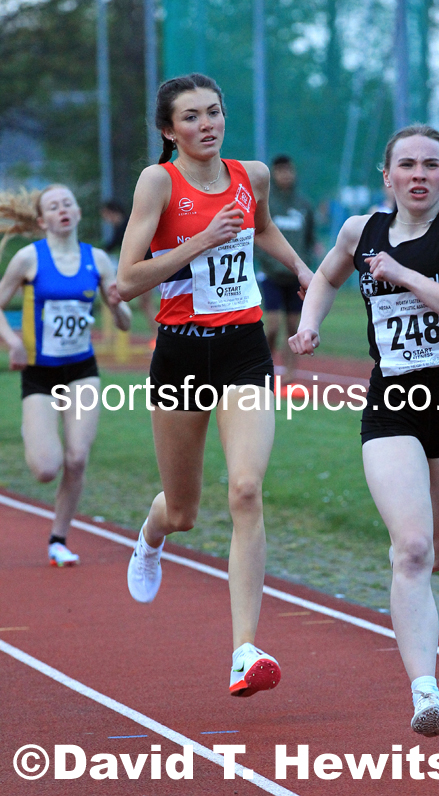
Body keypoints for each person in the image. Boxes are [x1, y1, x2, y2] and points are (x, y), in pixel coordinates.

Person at [289, 124, 439, 735]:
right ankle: (425, 691)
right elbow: (326, 277)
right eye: (406, 165)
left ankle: (423, 614)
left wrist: (405, 276)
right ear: (387, 176)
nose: (418, 175)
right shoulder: (360, 231)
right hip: (392, 402)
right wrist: (309, 325)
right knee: (411, 548)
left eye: (430, 165)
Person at [116, 74, 313, 697]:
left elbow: (260, 230)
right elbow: (127, 279)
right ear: (168, 130)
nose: (208, 124)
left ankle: (243, 650)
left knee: (247, 490)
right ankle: (151, 537)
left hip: (243, 350)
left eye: (215, 113)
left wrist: (304, 271)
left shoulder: (250, 174)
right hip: (179, 354)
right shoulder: (159, 182)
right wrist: (201, 240)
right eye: (193, 117)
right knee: (184, 511)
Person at [0, 185, 131, 566]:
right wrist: (13, 344)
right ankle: (35, 428)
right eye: (53, 206)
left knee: (77, 459)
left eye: (68, 203)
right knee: (45, 468)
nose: (62, 210)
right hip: (40, 373)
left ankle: (59, 538)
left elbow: (123, 323)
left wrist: (119, 307)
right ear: (42, 221)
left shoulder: (99, 260)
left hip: (82, 371)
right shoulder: (28, 258)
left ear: (77, 212)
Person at [255, 155, 315, 394]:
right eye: (280, 172)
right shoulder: (267, 204)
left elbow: (310, 240)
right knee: (271, 326)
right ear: (273, 174)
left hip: (294, 278)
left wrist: (305, 264)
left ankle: (291, 373)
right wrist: (268, 262)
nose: (285, 176)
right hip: (271, 275)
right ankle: (265, 366)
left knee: (293, 326)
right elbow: (258, 234)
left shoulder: (303, 204)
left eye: (289, 171)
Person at [101, 199, 157, 336]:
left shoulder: (124, 226)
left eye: (106, 216)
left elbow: (111, 245)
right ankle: (157, 334)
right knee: (145, 303)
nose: (106, 220)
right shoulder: (125, 224)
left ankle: (158, 335)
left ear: (112, 212)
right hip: (146, 265)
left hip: (146, 266)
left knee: (146, 303)